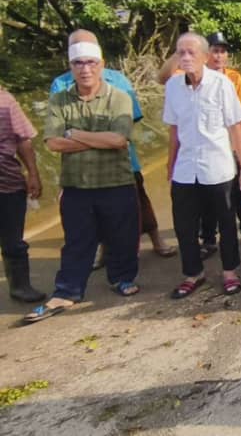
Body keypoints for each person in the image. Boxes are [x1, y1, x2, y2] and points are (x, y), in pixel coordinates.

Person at [24, 42, 140, 323]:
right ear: (71, 67)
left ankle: (122, 278)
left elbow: (119, 140)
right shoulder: (59, 100)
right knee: (76, 241)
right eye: (78, 64)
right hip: (76, 185)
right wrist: (98, 140)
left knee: (122, 235)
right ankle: (68, 291)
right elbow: (53, 143)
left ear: (101, 65)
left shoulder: (119, 98)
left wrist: (74, 132)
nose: (85, 69)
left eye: (91, 63)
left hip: (116, 181)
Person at [56, 30, 174, 259]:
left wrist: (80, 134)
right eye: (77, 55)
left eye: (89, 55)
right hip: (80, 166)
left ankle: (155, 238)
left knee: (138, 200)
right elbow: (58, 132)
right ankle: (104, 247)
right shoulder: (60, 85)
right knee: (93, 211)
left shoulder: (117, 80)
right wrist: (102, 139)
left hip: (122, 160)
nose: (84, 65)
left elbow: (126, 126)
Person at [164, 33, 241, 299]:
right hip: (185, 168)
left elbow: (236, 127)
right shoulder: (173, 87)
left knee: (226, 221)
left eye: (192, 53)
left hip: (218, 166)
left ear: (204, 56)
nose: (187, 58)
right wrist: (170, 165)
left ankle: (229, 272)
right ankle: (193, 273)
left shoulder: (221, 84)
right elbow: (173, 130)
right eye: (181, 53)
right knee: (184, 225)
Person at [200, 33, 241, 254]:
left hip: (231, 144)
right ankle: (209, 238)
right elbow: (167, 75)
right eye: (214, 51)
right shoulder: (193, 77)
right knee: (207, 194)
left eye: (222, 51)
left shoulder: (234, 78)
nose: (219, 56)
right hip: (206, 148)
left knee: (240, 189)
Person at [0, 88, 45, 303]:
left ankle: (20, 287)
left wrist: (33, 174)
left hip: (7, 184)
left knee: (13, 242)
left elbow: (23, 140)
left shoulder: (6, 101)